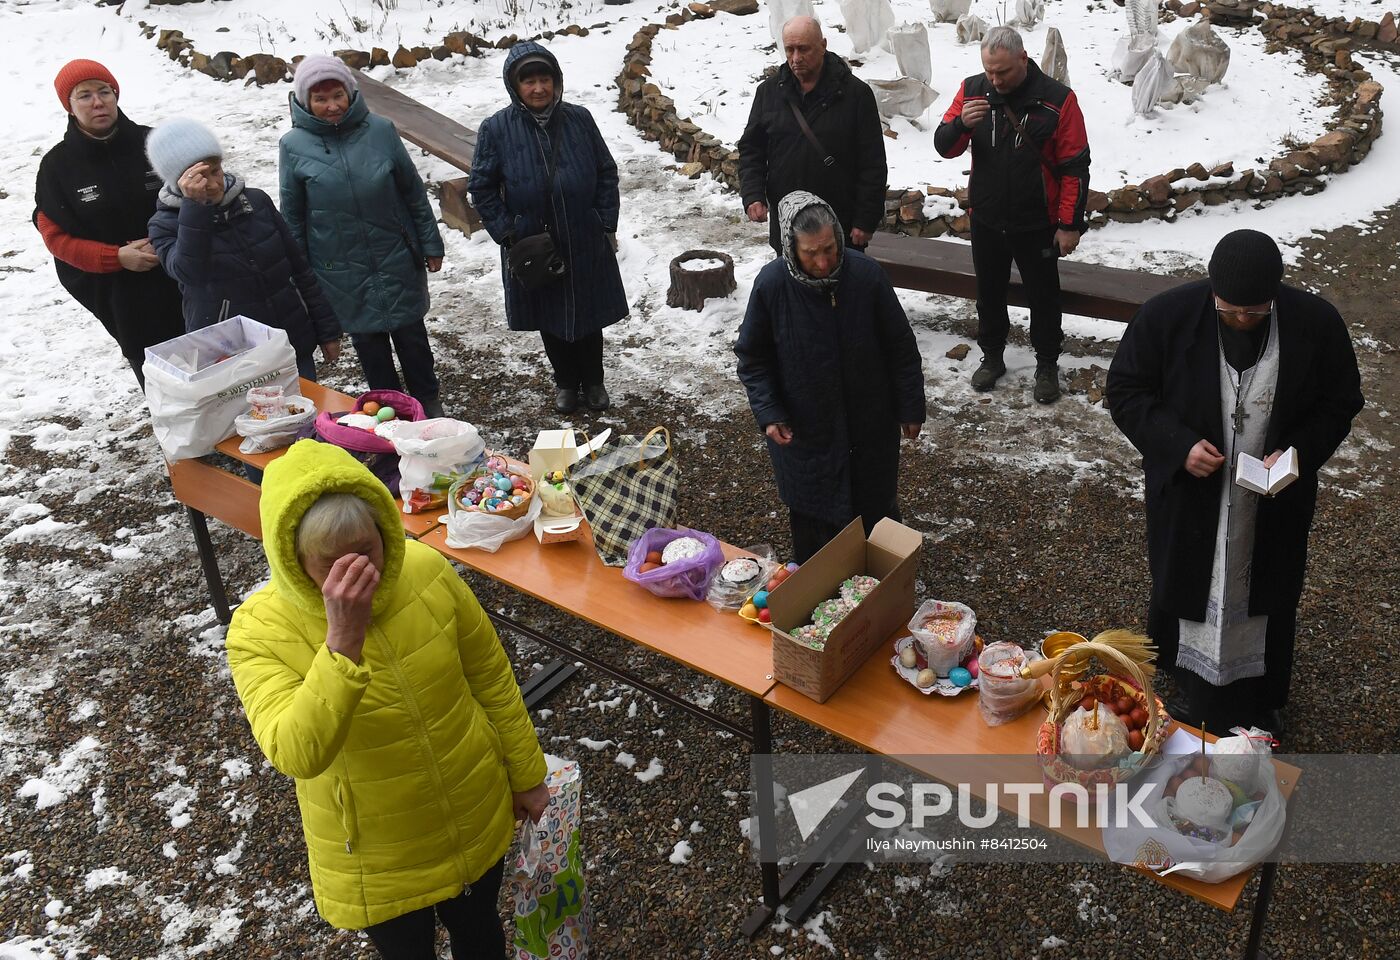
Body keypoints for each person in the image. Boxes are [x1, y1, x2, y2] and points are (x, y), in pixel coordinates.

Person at [225, 440, 549, 959]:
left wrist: (527, 775)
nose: (361, 576)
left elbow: (490, 678)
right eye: (333, 563)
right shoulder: (258, 631)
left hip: (472, 808)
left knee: (482, 936)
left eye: (368, 550)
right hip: (378, 854)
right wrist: (341, 645)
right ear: (293, 559)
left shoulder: (426, 570)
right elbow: (295, 753)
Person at [1106, 230, 1363, 735]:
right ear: (1211, 289)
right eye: (1230, 311)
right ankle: (1183, 681)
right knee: (1185, 578)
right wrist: (1177, 444)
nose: (1242, 320)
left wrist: (1298, 454)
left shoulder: (1315, 323)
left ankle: (1259, 697)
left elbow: (1341, 401)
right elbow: (1126, 389)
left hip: (1274, 497)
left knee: (1268, 585)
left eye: (1256, 312)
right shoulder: (1166, 317)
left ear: (1276, 293)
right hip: (1190, 493)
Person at [735, 191, 925, 563]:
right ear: (791, 246)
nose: (823, 262)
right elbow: (752, 357)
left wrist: (910, 407)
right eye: (810, 253)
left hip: (870, 428)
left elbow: (900, 347)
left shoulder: (866, 277)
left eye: (830, 249)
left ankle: (885, 596)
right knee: (816, 535)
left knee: (876, 519)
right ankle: (820, 605)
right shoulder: (772, 285)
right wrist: (769, 411)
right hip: (806, 437)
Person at [280, 55, 448, 418]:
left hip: (394, 251)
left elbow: (412, 191)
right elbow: (292, 215)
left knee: (411, 335)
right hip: (338, 264)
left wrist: (430, 243)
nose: (331, 106)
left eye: (337, 95)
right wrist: (300, 274)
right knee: (368, 342)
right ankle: (389, 407)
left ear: (350, 92)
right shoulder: (293, 146)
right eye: (320, 99)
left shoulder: (381, 130)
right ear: (305, 102)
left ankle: (428, 400)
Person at [468, 41, 628, 416]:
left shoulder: (579, 118)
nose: (538, 88)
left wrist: (604, 219)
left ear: (556, 82)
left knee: (588, 312)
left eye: (545, 79)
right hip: (533, 241)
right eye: (529, 82)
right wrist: (508, 233)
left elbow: (605, 171)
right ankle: (566, 384)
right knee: (550, 315)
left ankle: (594, 380)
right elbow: (481, 186)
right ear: (515, 86)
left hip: (582, 233)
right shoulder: (496, 128)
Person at [934, 25, 1091, 404]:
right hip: (987, 218)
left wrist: (1069, 225)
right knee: (988, 294)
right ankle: (991, 356)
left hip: (1037, 223)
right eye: (989, 70)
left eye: (1002, 71)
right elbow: (944, 145)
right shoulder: (972, 90)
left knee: (1044, 297)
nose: (994, 79)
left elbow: (1075, 167)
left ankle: (1047, 364)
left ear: (1023, 59)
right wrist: (960, 125)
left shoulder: (1057, 100)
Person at [146, 118, 340, 382]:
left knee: (305, 414)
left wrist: (326, 330)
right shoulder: (164, 224)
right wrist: (195, 209)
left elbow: (299, 268)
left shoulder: (256, 201)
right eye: (199, 177)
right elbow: (190, 273)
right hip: (232, 356)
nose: (213, 183)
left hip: (290, 338)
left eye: (215, 170)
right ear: (178, 181)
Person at [32, 59, 186, 388]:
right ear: (69, 107)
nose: (98, 102)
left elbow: (197, 197)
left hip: (183, 274)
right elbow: (55, 237)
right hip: (123, 294)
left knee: (217, 371)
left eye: (104, 91)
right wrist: (115, 257)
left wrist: (168, 241)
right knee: (164, 387)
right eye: (84, 96)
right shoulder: (56, 167)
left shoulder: (155, 143)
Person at [738, 16, 887, 254]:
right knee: (790, 290)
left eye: (803, 49)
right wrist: (753, 195)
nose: (796, 58)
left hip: (841, 224)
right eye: (789, 50)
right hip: (787, 222)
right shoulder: (768, 92)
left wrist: (865, 219)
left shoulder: (856, 95)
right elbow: (751, 150)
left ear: (823, 45)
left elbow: (873, 163)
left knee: (843, 290)